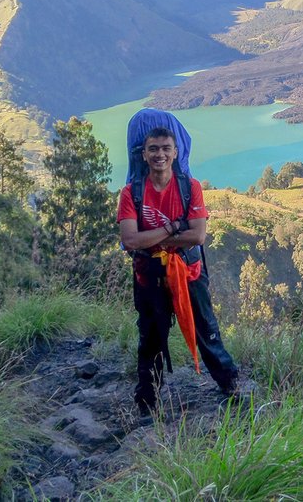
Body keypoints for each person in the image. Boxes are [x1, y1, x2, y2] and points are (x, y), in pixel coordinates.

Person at [117, 126, 238, 414]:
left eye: (165, 148)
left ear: (175, 152)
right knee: (151, 338)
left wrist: (153, 237)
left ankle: (230, 383)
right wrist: (173, 227)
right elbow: (130, 240)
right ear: (143, 154)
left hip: (189, 273)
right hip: (149, 277)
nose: (160, 154)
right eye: (153, 149)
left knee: (206, 331)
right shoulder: (131, 193)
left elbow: (197, 236)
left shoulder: (189, 187)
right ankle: (146, 401)